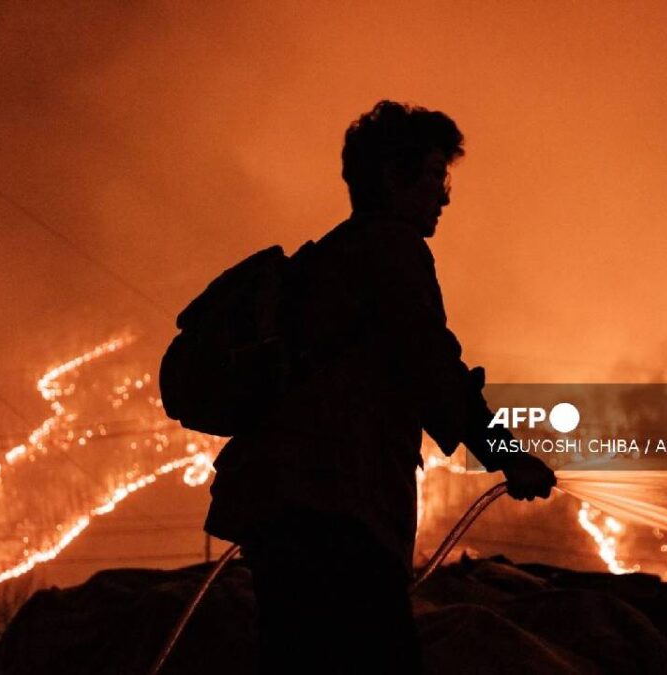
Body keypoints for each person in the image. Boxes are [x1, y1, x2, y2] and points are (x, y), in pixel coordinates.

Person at [203, 100, 556, 673]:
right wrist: (511, 457)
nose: (444, 195)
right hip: (336, 516)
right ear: (393, 177)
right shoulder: (391, 250)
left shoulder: (328, 262)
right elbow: (431, 363)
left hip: (281, 512)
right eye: (436, 176)